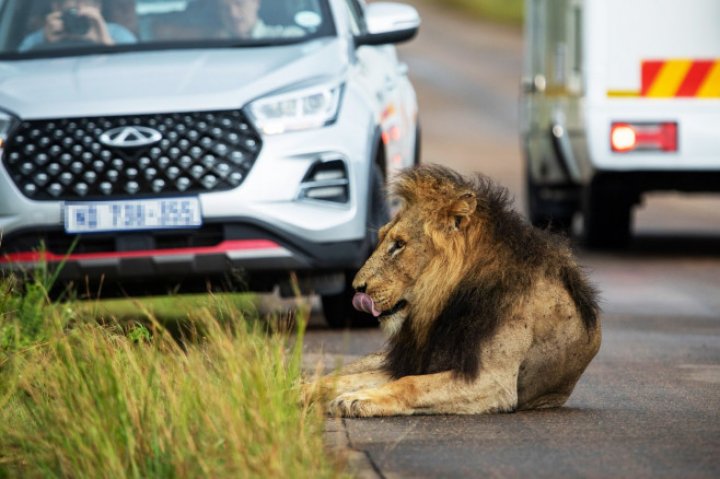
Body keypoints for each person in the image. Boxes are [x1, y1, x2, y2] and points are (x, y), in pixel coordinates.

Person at [19, 0, 136, 51]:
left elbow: (133, 68)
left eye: (88, 3)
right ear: (57, 7)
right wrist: (45, 43)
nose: (82, 11)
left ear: (98, 7)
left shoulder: (118, 34)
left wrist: (105, 41)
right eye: (75, 8)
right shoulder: (37, 39)